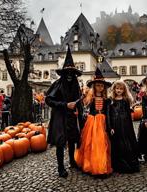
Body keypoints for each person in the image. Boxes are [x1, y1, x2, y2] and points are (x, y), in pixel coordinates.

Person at [46, 46, 84, 178]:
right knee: (61, 142)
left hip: (72, 117)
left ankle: (72, 161)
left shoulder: (76, 85)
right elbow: (48, 100)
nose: (69, 75)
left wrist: (80, 113)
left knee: (73, 139)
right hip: (60, 118)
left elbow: (79, 102)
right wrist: (64, 105)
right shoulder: (57, 84)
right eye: (67, 73)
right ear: (63, 73)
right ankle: (61, 167)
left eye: (71, 73)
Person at [75, 67, 113, 176]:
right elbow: (85, 108)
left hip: (102, 122)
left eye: (101, 85)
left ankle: (101, 164)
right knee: (90, 143)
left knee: (101, 143)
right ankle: (90, 163)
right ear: (94, 86)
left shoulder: (106, 99)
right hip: (92, 121)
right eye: (97, 85)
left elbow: (108, 111)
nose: (100, 87)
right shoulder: (91, 98)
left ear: (104, 87)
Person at [109, 80, 139, 173]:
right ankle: (119, 163)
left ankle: (129, 162)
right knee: (117, 142)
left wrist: (130, 126)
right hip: (115, 124)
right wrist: (111, 127)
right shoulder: (111, 101)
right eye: (117, 88)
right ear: (114, 89)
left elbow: (128, 114)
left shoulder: (125, 100)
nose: (119, 90)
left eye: (121, 89)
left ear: (124, 90)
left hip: (125, 124)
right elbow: (109, 114)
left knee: (126, 142)